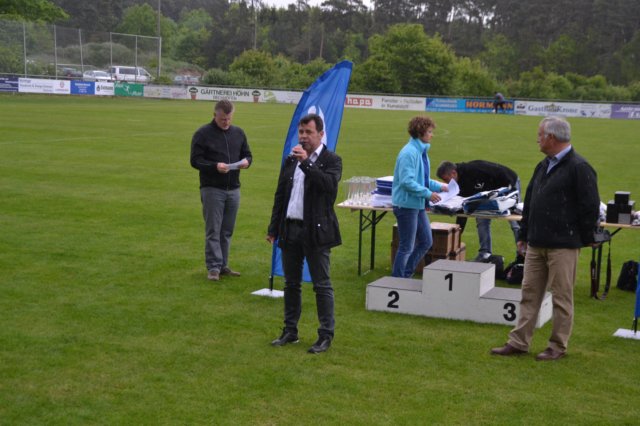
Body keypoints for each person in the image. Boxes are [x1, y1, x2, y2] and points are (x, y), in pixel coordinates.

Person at [491, 116, 600, 361]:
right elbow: (530, 202)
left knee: (561, 297)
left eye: (540, 135)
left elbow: (590, 207)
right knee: (529, 293)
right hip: (536, 242)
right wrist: (524, 234)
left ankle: (557, 346)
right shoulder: (543, 165)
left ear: (551, 137)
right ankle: (519, 342)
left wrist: (583, 238)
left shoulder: (579, 167)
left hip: (563, 246)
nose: (537, 139)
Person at [267, 114, 342, 354]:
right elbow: (281, 195)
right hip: (290, 228)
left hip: (316, 231)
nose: (303, 136)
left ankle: (325, 335)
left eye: (308, 132)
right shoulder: (291, 160)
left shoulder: (331, 160)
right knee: (291, 284)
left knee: (322, 285)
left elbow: (328, 187)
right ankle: (290, 330)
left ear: (321, 134)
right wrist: (273, 228)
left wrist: (307, 163)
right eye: (301, 132)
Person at [190, 100, 252, 281]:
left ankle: (223, 265)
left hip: (233, 189)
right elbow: (195, 160)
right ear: (214, 115)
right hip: (212, 188)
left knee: (227, 230)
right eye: (223, 119)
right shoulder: (203, 134)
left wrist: (246, 162)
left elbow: (248, 154)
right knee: (213, 230)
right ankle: (213, 268)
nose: (226, 122)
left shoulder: (238, 133)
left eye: (229, 118)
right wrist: (215, 166)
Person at [391, 116, 448, 278]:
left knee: (426, 241)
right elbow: (406, 182)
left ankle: (405, 275)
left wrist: (441, 186)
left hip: (417, 204)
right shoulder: (409, 153)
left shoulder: (420, 151)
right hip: (406, 206)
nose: (432, 135)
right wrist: (428, 194)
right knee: (406, 247)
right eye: (429, 132)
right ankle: (397, 281)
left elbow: (422, 179)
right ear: (420, 133)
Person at [436, 160, 521, 262]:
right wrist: (459, 231)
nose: (447, 183)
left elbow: (498, 175)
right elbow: (463, 207)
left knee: (515, 221)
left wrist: (509, 192)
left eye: (446, 179)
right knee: (481, 219)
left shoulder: (474, 170)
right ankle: (485, 253)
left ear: (453, 173)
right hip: (489, 191)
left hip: (509, 182)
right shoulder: (459, 183)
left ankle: (521, 255)